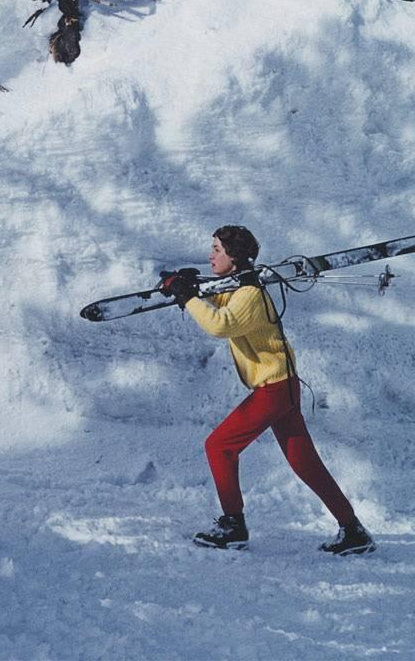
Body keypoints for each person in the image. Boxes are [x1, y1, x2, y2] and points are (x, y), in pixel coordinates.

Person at [161, 225, 375, 555]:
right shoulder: (241, 287)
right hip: (282, 386)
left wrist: (187, 296)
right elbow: (220, 301)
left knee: (219, 446)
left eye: (217, 249)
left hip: (274, 390)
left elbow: (221, 324)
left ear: (234, 256)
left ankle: (233, 526)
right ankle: (353, 531)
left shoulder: (249, 294)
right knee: (305, 463)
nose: (210, 255)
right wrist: (191, 286)